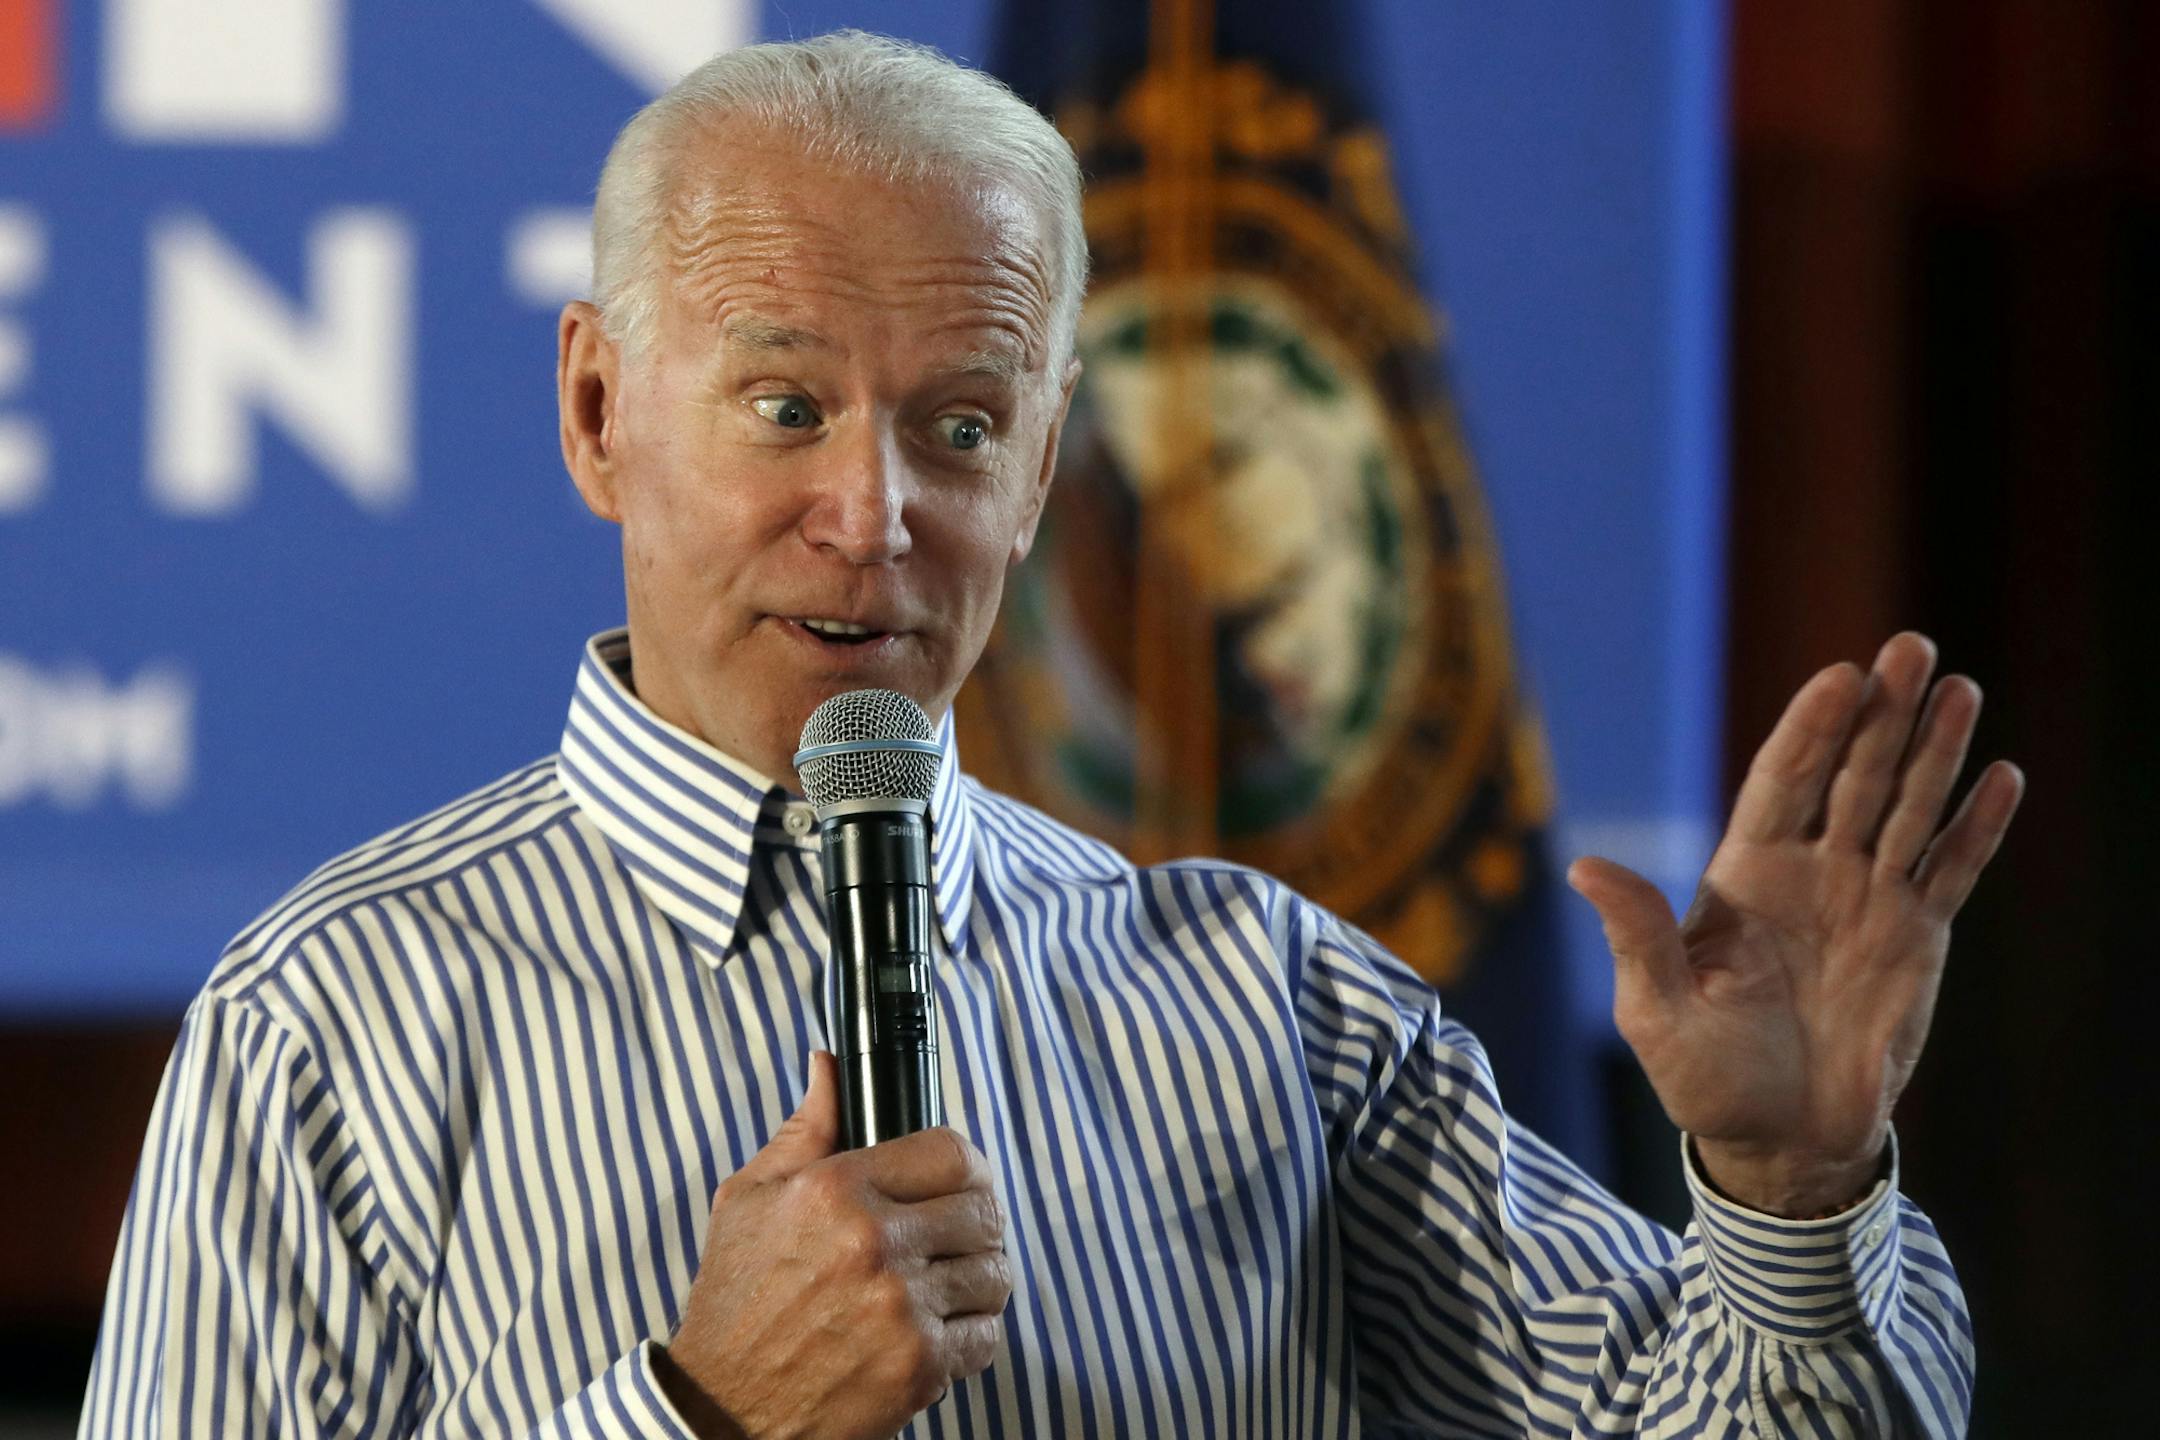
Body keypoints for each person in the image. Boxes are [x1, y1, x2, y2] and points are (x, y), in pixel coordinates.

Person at [80, 30, 2018, 1440]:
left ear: (1043, 465)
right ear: (597, 408)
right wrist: (689, 1418)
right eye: (781, 409)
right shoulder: (332, 1018)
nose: (874, 513)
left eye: (957, 428)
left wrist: (1787, 1190)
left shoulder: (1270, 1010)